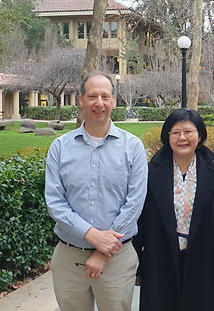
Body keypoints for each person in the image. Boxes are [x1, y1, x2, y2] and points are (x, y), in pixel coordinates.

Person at [45, 71, 148, 311]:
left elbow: (134, 203)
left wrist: (104, 251)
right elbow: (55, 202)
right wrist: (91, 234)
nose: (98, 103)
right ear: (81, 100)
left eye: (105, 96)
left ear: (114, 101)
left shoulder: (133, 147)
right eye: (92, 96)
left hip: (118, 258)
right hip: (70, 258)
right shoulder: (60, 147)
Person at [135, 109, 214, 311]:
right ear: (167, 136)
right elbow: (139, 221)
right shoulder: (149, 173)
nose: (182, 138)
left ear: (199, 135)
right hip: (159, 259)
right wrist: (138, 264)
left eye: (188, 132)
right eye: (175, 132)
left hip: (202, 260)